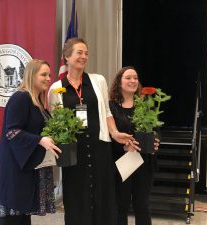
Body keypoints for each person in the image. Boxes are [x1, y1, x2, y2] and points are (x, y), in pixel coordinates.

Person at [48, 38, 133, 225]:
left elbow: (107, 112)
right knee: (77, 198)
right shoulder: (56, 88)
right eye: (79, 52)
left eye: (86, 53)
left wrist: (115, 133)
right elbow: (55, 123)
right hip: (73, 152)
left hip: (99, 147)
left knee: (103, 196)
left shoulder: (98, 80)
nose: (84, 56)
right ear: (67, 56)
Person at [0, 59, 61, 225]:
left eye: (49, 75)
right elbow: (12, 131)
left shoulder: (36, 102)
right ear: (31, 75)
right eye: (43, 74)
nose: (48, 78)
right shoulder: (20, 98)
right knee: (12, 219)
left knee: (23, 217)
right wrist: (40, 140)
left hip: (26, 168)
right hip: (15, 170)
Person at [109, 66, 159, 225]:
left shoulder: (146, 105)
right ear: (119, 82)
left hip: (144, 162)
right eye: (128, 78)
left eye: (135, 78)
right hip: (121, 162)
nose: (133, 81)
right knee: (120, 206)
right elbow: (107, 137)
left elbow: (156, 129)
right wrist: (123, 147)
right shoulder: (111, 107)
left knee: (142, 206)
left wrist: (156, 141)